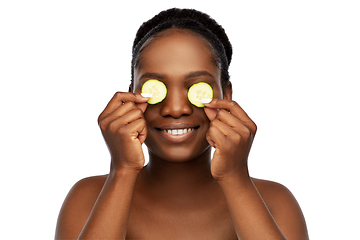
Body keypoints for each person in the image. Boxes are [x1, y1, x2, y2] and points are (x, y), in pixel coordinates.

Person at [55, 8, 309, 240]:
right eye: (156, 88)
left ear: (226, 95)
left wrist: (235, 178)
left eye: (196, 87)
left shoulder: (275, 201)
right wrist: (122, 172)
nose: (175, 109)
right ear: (131, 97)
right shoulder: (88, 198)